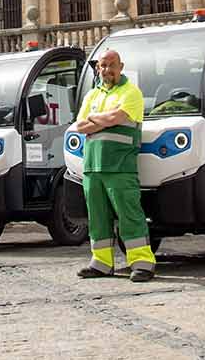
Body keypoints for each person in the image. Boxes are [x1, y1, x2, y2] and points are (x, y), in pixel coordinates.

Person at [74, 50, 156, 282]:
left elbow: (115, 119)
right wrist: (105, 119)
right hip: (92, 167)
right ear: (97, 68)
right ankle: (101, 263)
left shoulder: (131, 92)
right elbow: (80, 125)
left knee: (129, 215)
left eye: (112, 65)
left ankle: (142, 263)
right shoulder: (92, 94)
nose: (107, 70)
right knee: (97, 218)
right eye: (103, 66)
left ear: (121, 66)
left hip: (120, 165)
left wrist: (96, 119)